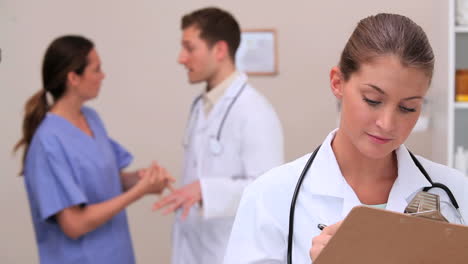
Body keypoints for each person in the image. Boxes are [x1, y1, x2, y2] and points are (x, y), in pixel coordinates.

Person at [223, 13, 468, 264]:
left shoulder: (457, 193)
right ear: (337, 82)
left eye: (407, 108)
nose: (387, 124)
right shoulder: (271, 196)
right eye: (372, 100)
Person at [13, 35, 174, 264]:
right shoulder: (48, 142)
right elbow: (74, 224)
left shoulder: (92, 119)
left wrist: (142, 180)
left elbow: (106, 181)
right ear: (73, 78)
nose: (103, 76)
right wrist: (136, 193)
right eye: (97, 69)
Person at [152, 7, 284, 264]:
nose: (181, 58)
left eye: (189, 48)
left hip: (230, 251)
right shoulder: (200, 106)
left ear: (220, 50)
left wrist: (206, 190)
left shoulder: (255, 111)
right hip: (195, 248)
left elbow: (268, 189)